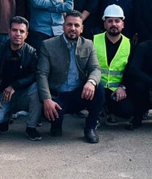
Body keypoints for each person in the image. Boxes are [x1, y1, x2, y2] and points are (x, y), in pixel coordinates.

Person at [36, 12, 104, 143]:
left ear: (82, 28)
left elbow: (95, 68)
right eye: (69, 24)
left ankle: (90, 128)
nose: (72, 28)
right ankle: (56, 125)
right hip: (57, 95)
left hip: (79, 93)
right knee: (55, 118)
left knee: (99, 89)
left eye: (76, 25)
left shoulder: (88, 44)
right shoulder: (48, 45)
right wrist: (46, 99)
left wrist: (91, 82)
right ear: (63, 26)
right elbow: (42, 74)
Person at [0, 16, 42, 139]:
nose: (18, 34)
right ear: (9, 32)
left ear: (26, 34)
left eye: (21, 31)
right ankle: (5, 118)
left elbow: (33, 75)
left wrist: (14, 86)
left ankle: (31, 127)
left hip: (22, 94)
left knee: (38, 87)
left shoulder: (31, 52)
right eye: (14, 30)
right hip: (1, 95)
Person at [93, 5, 135, 126]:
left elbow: (131, 70)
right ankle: (94, 114)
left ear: (123, 24)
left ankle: (109, 110)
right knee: (95, 97)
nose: (114, 24)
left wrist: (123, 87)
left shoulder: (129, 44)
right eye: (110, 21)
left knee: (127, 111)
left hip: (117, 90)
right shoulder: (93, 40)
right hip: (97, 87)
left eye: (117, 21)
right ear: (104, 24)